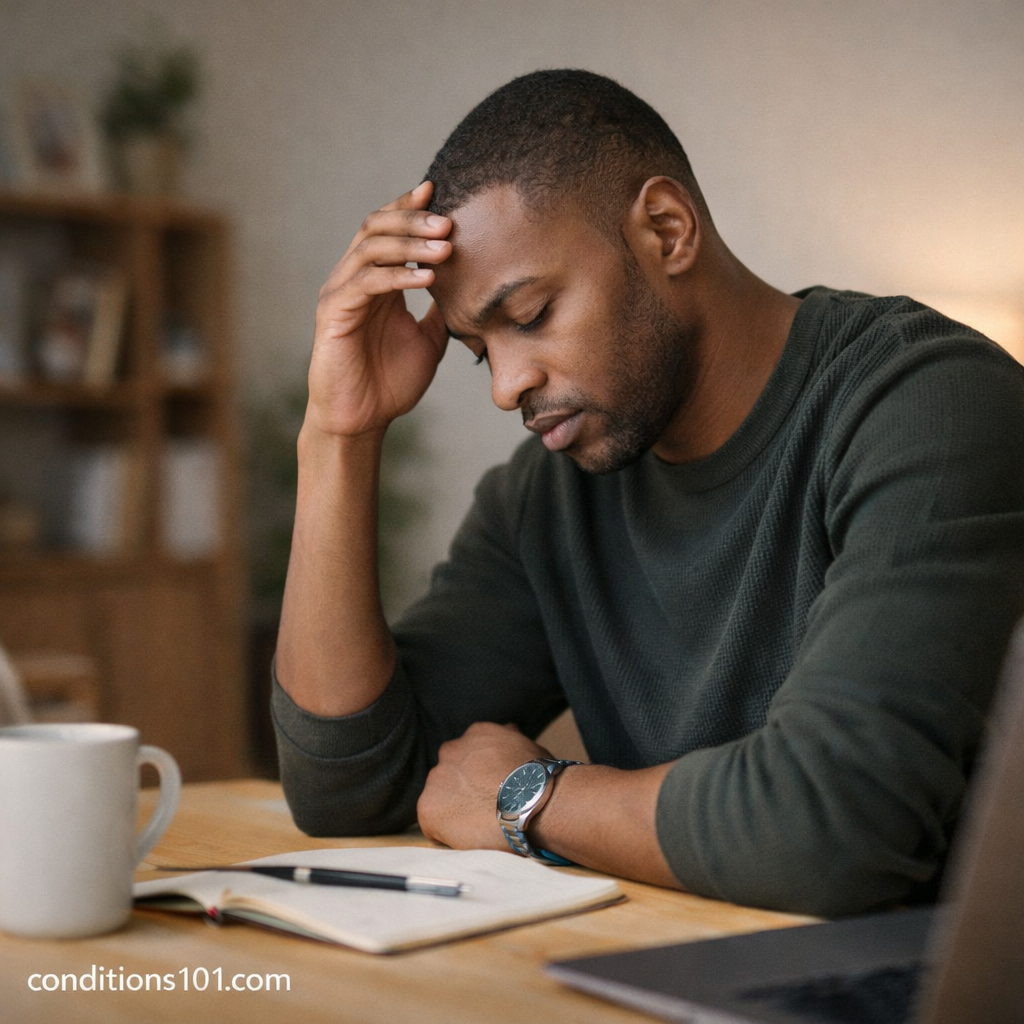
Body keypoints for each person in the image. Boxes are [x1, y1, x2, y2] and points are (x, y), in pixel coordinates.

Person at [272, 69, 1024, 915]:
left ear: (665, 231)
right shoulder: (547, 500)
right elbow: (349, 789)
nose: (506, 385)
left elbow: (834, 825)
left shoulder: (931, 404)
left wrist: (530, 797)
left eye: (530, 316)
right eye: (478, 350)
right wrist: (339, 434)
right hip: (690, 975)